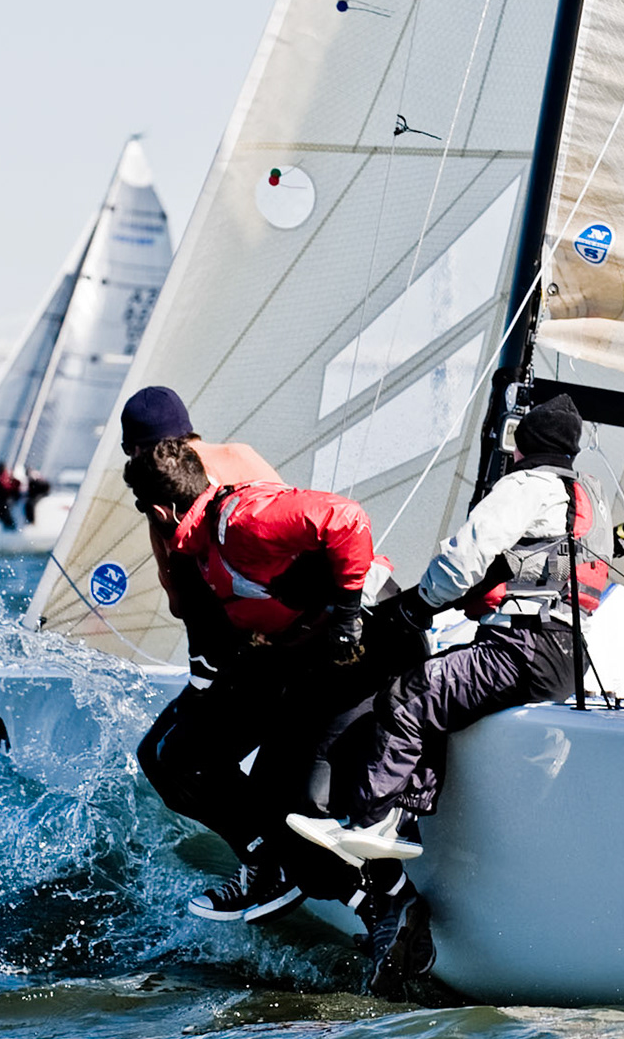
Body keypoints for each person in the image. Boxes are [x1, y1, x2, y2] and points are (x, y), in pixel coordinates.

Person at [118, 388, 431, 987]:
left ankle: (311, 875)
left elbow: (335, 526)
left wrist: (341, 616)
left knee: (178, 759)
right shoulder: (237, 464)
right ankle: (361, 903)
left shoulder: (218, 516)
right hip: (297, 654)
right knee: (225, 779)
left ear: (143, 454)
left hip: (353, 651)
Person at [284, 394, 612, 930]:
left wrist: (418, 605)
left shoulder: (526, 485)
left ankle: (368, 823)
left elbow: (466, 556)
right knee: (442, 697)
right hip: (568, 653)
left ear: (523, 444)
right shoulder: (588, 497)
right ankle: (403, 822)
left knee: (409, 694)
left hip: (524, 646)